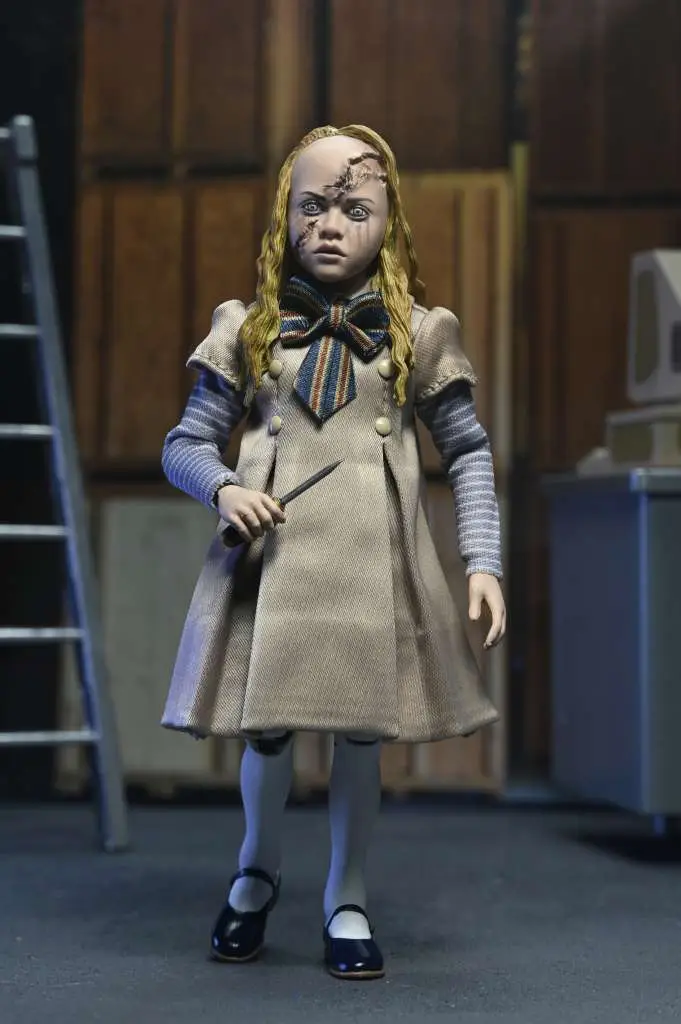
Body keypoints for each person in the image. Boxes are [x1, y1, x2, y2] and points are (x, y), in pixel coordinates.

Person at [160, 124, 506, 981]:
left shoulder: (418, 333)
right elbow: (184, 443)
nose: (329, 225)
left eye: (354, 209)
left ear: (388, 223)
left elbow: (467, 452)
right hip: (269, 562)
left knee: (360, 736)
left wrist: (482, 559)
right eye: (311, 206)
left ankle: (346, 894)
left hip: (370, 563)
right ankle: (255, 870)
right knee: (266, 732)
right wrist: (223, 489)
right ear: (286, 215)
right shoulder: (248, 327)